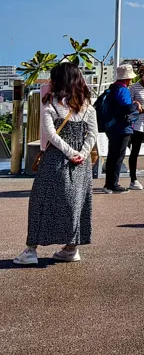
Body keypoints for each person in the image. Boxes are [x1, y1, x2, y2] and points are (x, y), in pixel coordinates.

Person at [13, 62, 98, 265]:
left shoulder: (51, 102)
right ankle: (71, 248)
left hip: (55, 160)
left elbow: (50, 133)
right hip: (81, 164)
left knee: (41, 202)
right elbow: (92, 133)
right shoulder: (87, 104)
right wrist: (82, 154)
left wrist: (69, 152)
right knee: (76, 204)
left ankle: (31, 251)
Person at [101, 64, 138, 194]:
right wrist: (136, 105)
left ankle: (108, 184)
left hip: (112, 127)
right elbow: (127, 108)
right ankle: (113, 184)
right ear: (128, 78)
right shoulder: (122, 90)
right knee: (118, 156)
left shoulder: (113, 88)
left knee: (112, 155)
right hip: (122, 127)